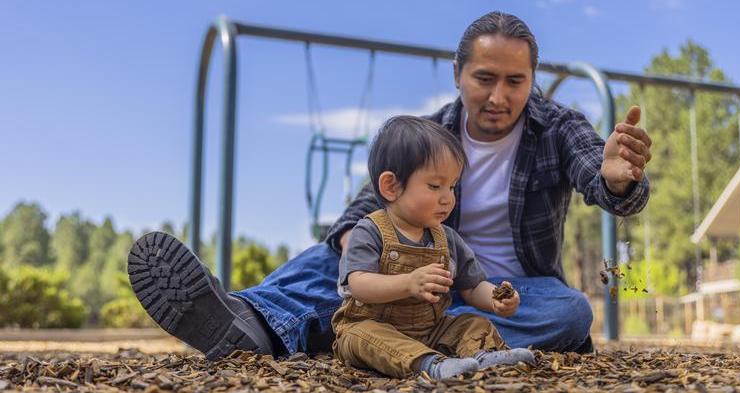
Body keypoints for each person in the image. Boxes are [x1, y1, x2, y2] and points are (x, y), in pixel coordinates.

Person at [128, 11, 652, 360]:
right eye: (484, 78)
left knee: (571, 310)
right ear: (458, 74)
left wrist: (617, 181)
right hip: (409, 275)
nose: (499, 96)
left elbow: (598, 175)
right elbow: (370, 204)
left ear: (531, 80)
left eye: (515, 81)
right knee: (328, 256)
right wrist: (351, 242)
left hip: (509, 294)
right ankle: (250, 323)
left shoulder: (559, 128)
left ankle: (374, 335)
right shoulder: (429, 135)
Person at [331, 115, 535, 379]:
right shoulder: (370, 231)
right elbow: (358, 284)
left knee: (472, 322)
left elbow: (472, 286)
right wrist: (408, 283)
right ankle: (429, 365)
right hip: (371, 325)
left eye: (451, 187)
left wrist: (496, 299)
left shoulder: (447, 239)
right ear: (391, 186)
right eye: (435, 186)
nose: (447, 198)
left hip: (431, 329)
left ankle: (483, 355)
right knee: (364, 337)